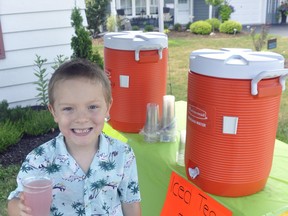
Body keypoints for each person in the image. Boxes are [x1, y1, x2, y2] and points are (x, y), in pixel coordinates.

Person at [7, 58, 141, 216]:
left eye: (92, 107)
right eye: (68, 108)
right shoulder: (38, 159)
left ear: (108, 107)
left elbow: (130, 202)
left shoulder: (123, 154)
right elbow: (16, 200)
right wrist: (18, 208)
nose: (82, 118)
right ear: (53, 112)